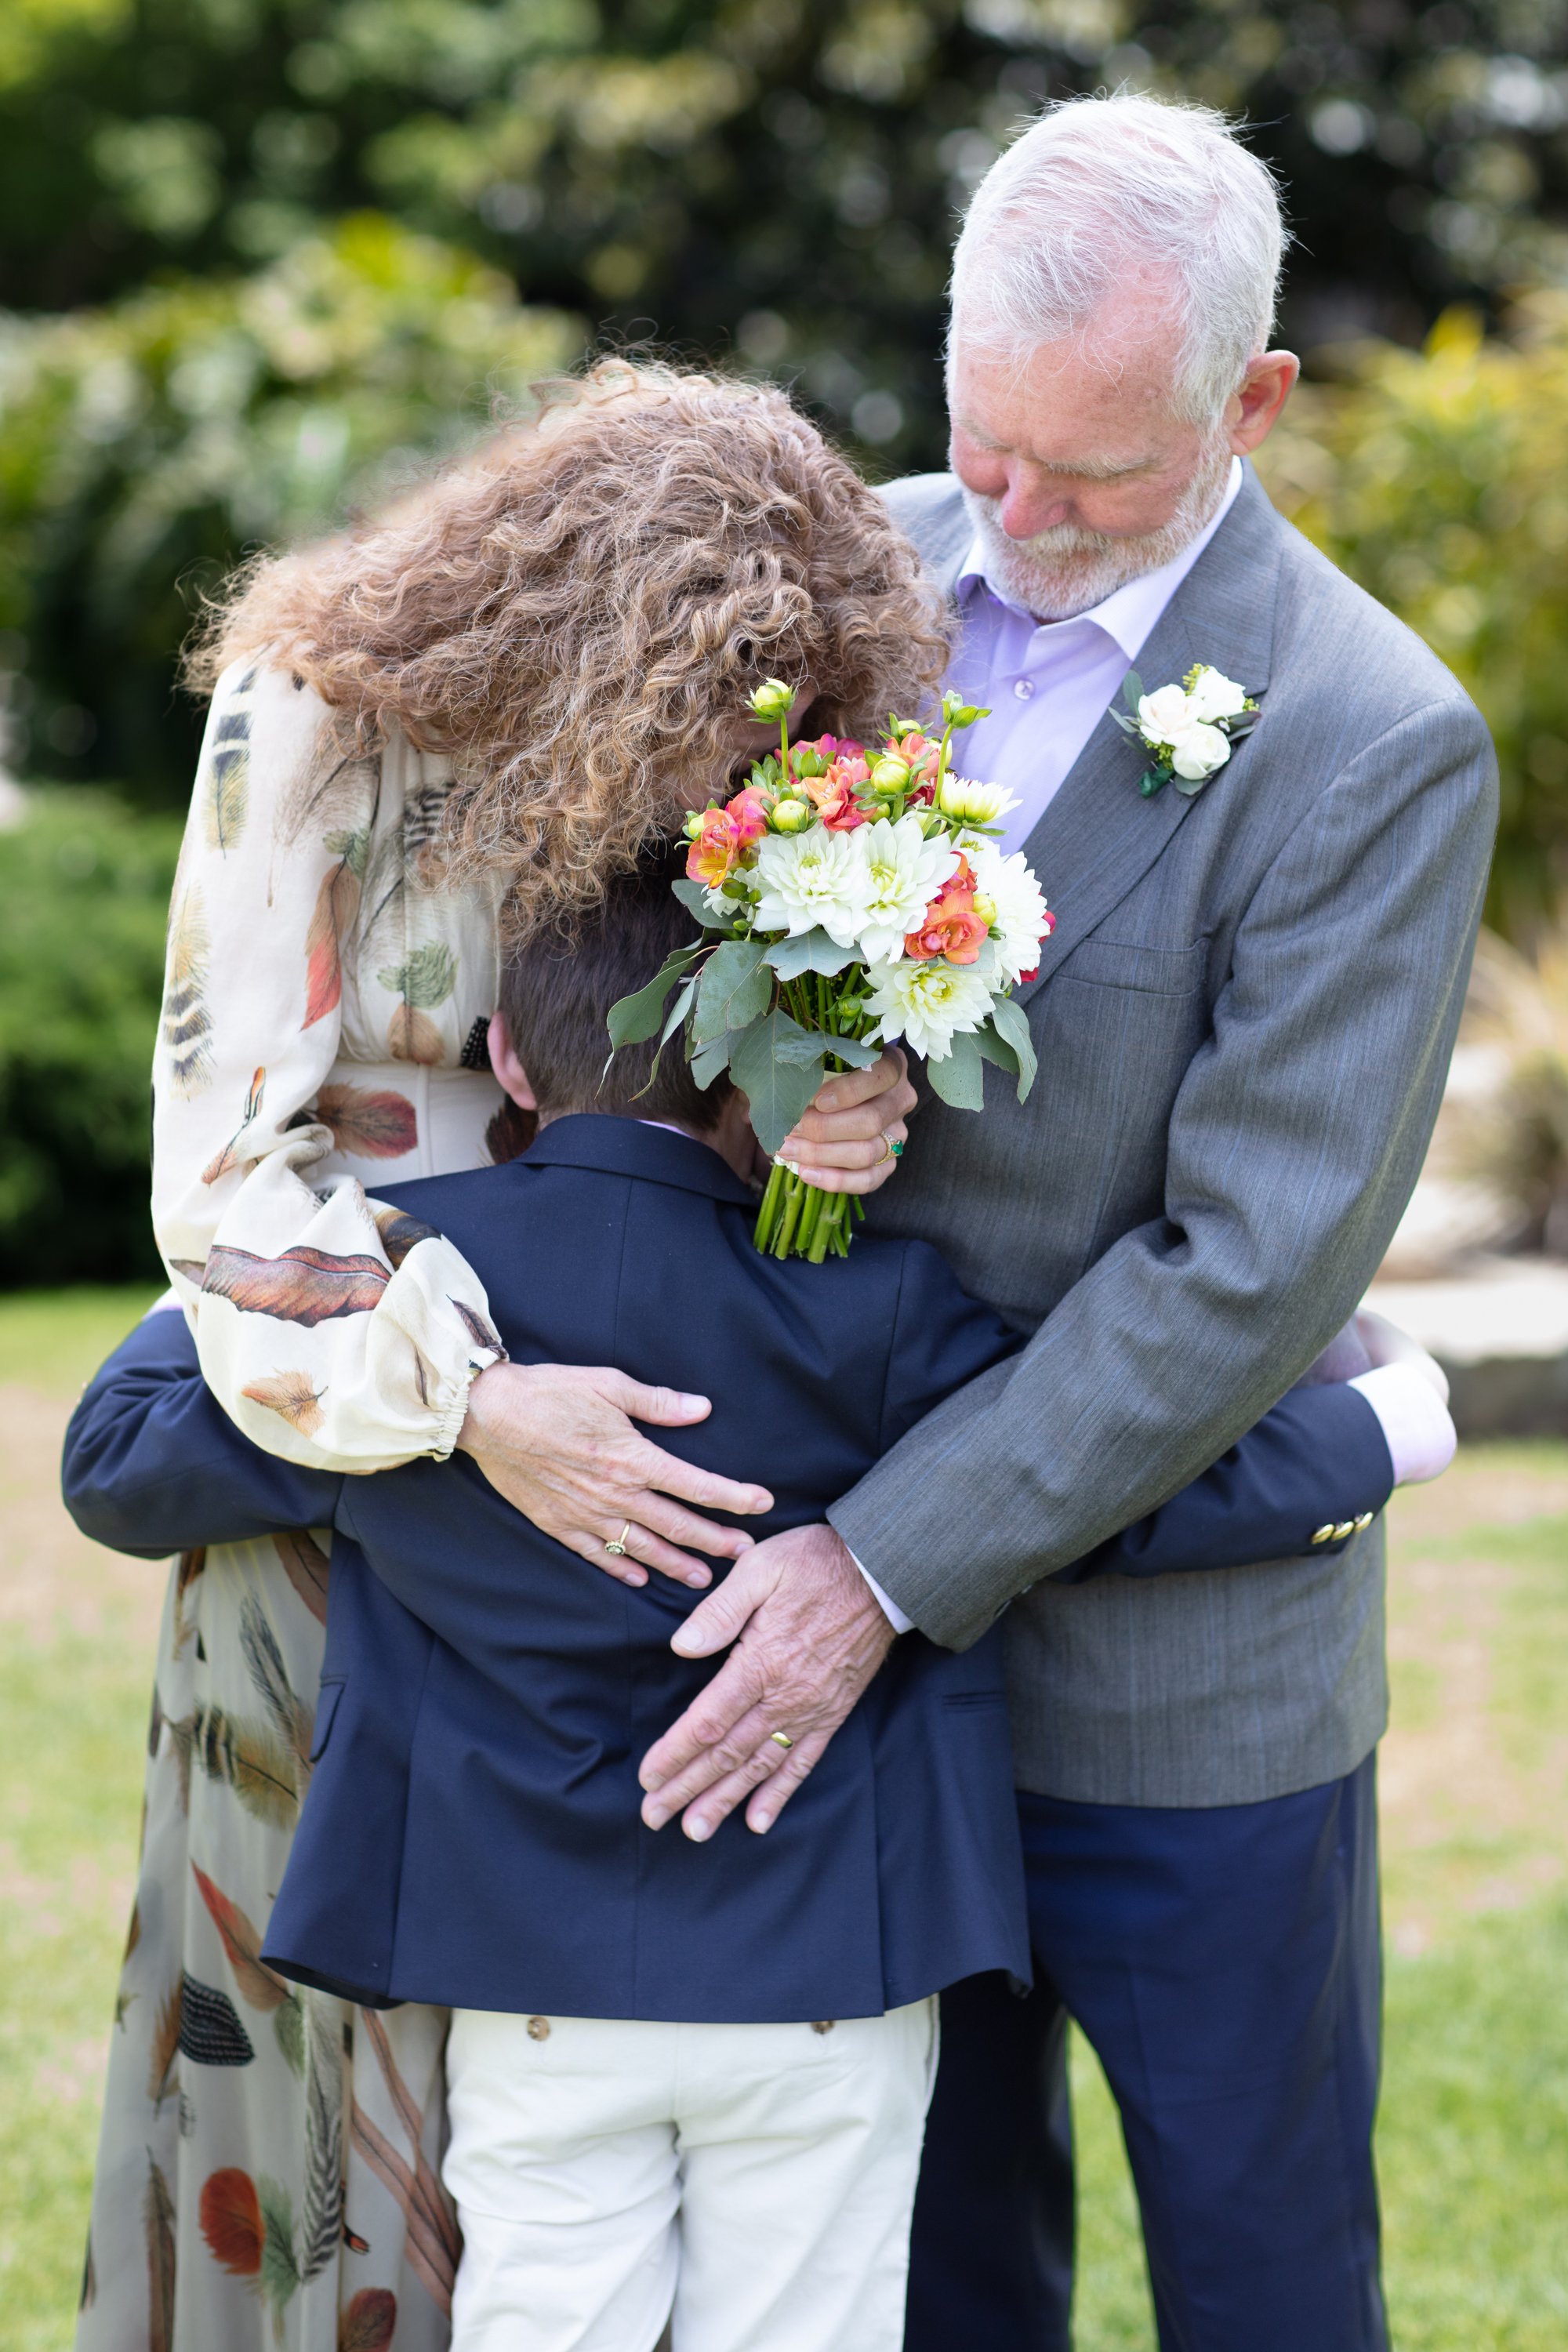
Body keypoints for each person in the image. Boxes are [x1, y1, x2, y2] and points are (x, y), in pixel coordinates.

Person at [65, 855, 1453, 2352]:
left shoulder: (412, 1324)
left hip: (533, 1985)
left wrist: (295, 1270)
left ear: (511, 1057)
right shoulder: (882, 1309)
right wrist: (1382, 1429)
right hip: (827, 1987)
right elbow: (1092, 1491)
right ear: (756, 1066)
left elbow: (119, 1457)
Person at [627, 97, 1497, 2352]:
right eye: (980, 442)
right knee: (921, 2276)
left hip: (1177, 1694)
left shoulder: (1372, 737)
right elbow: (644, 990)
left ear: (1255, 400)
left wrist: (880, 1565)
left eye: (1090, 475)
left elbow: (1249, 1270)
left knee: (1263, 2277)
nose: (1009, 520)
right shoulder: (829, 590)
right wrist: (751, 1087)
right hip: (855, 1689)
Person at [78, 364, 929, 2352]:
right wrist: (463, 1405)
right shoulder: (317, 715)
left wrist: (828, 1114)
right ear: (593, 610)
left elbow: (696, 1068)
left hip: (627, 1479)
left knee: (580, 2085)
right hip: (357, 1442)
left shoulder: (732, 743)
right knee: (330, 2038)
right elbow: (225, 1166)